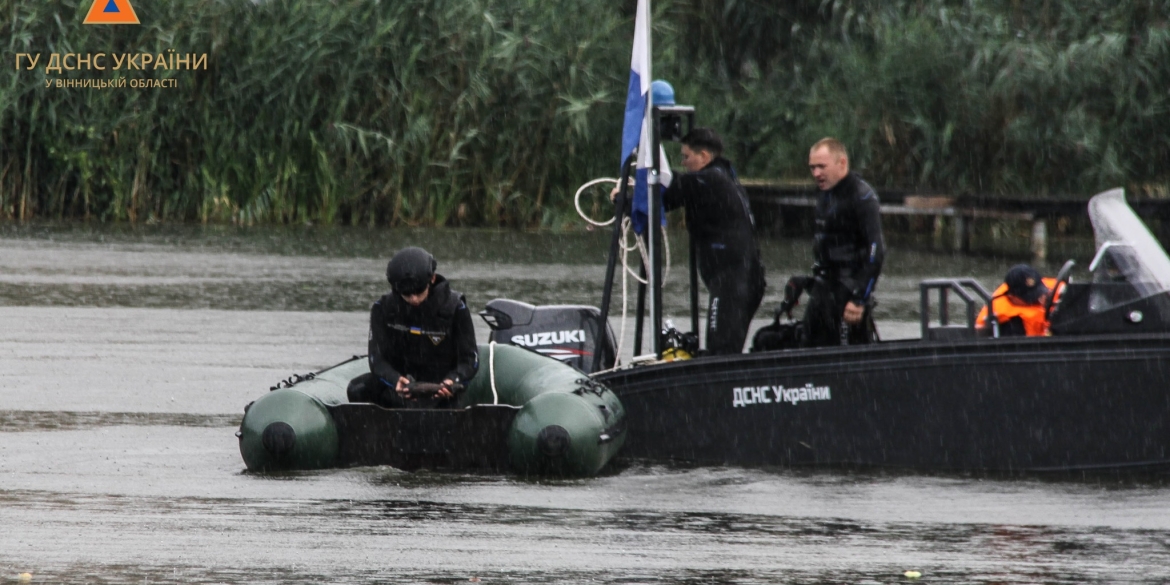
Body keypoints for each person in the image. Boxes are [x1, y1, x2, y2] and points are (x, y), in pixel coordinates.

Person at [661, 128, 766, 354]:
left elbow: (667, 195)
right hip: (743, 278)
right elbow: (676, 187)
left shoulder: (710, 179)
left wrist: (624, 200)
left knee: (721, 353)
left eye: (686, 157)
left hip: (734, 281)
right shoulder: (723, 174)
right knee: (722, 350)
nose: (683, 162)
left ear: (704, 157)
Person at [347, 247, 478, 409]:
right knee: (357, 388)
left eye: (418, 291)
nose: (414, 299)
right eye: (407, 294)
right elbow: (377, 360)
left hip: (441, 388)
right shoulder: (382, 309)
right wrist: (395, 380)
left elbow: (470, 359)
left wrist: (452, 380)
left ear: (432, 279)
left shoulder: (455, 307)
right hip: (402, 388)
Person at [804, 137, 885, 346]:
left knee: (848, 349)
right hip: (825, 286)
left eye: (821, 167)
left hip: (848, 289)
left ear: (842, 163)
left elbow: (876, 251)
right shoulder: (824, 194)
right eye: (812, 168)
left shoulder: (862, 197)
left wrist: (859, 298)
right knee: (809, 343)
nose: (816, 174)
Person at [976, 264, 1059, 337]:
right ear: (1012, 296)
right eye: (1030, 297)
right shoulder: (1011, 324)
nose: (1038, 299)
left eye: (1039, 293)